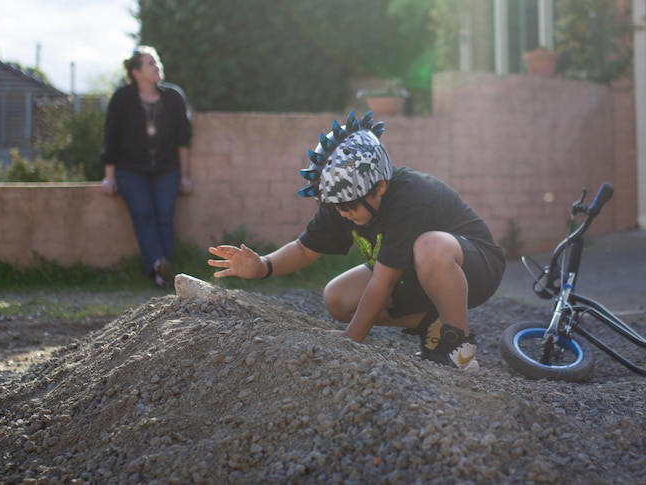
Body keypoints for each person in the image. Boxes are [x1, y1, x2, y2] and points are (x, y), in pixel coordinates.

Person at [208, 111, 505, 370]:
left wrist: (352, 338)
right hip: (416, 276)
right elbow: (304, 248)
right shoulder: (343, 201)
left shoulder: (412, 197)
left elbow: (383, 281)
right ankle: (430, 324)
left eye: (350, 206)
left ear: (379, 187)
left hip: (474, 267)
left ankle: (458, 345)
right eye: (338, 206)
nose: (344, 213)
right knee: (337, 298)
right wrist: (262, 266)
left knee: (430, 246)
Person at [101, 45, 193, 288]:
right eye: (150, 63)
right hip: (130, 170)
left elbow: (183, 140)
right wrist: (109, 177)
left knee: (164, 216)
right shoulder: (122, 98)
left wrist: (184, 175)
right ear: (136, 71)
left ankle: (165, 270)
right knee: (143, 215)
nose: (157, 67)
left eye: (157, 61)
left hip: (166, 168)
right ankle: (157, 265)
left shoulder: (173, 97)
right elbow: (111, 138)